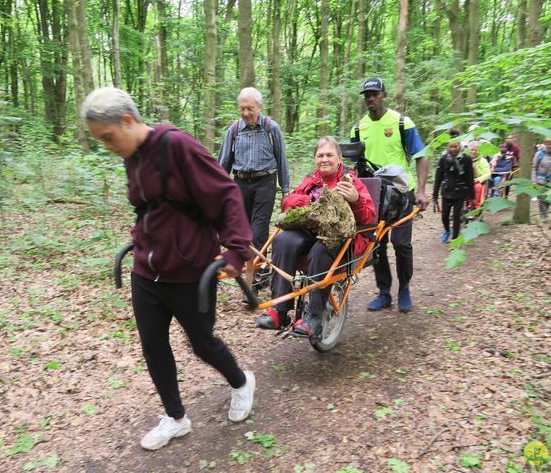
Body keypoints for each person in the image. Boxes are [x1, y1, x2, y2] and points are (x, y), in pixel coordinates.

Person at [80, 87, 256, 451]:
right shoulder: (132, 154)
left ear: (127, 121)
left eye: (109, 137)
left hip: (190, 270)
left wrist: (237, 250)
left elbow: (226, 194)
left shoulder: (177, 146)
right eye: (101, 141)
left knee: (203, 344)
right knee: (154, 346)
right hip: (146, 271)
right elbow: (149, 208)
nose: (108, 146)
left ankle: (241, 382)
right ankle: (176, 418)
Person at [255, 136, 377, 335]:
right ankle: (280, 310)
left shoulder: (350, 181)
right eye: (320, 155)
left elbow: (369, 217)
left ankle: (314, 316)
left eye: (329, 155)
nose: (324, 159)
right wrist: (312, 200)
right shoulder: (311, 180)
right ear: (315, 159)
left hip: (340, 236)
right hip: (309, 230)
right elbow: (288, 202)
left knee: (321, 250)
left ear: (339, 158)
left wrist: (355, 199)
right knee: (282, 240)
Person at [350, 77, 428, 313]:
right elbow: (355, 164)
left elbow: (421, 156)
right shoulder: (358, 128)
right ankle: (384, 292)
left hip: (402, 191)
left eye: (374, 93)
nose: (370, 98)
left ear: (384, 94)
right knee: (376, 244)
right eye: (367, 95)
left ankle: (404, 288)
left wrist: (422, 191)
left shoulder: (402, 122)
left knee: (401, 243)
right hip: (373, 194)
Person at [218, 87, 290, 251]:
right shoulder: (234, 130)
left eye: (250, 108)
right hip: (240, 184)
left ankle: (260, 273)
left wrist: (286, 190)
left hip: (265, 183)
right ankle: (247, 270)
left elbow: (281, 159)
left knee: (258, 231)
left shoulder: (271, 128)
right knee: (241, 231)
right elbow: (223, 163)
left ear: (259, 107)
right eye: (242, 108)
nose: (245, 113)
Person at [432, 140, 475, 242]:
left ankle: (455, 239)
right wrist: (435, 195)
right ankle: (447, 230)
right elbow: (438, 177)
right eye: (451, 147)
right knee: (444, 216)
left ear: (459, 147)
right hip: (446, 191)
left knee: (457, 216)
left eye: (455, 147)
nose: (453, 149)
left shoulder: (466, 159)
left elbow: (470, 177)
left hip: (460, 192)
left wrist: (472, 196)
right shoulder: (443, 159)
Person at [532, 138, 551, 221]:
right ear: (544, 144)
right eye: (547, 144)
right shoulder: (539, 154)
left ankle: (544, 213)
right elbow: (534, 167)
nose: (549, 146)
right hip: (541, 180)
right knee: (541, 199)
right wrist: (534, 180)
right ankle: (543, 216)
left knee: (550, 198)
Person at [467, 140, 491, 209]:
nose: (473, 152)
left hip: (477, 181)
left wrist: (478, 179)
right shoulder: (466, 159)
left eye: (476, 150)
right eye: (472, 150)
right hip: (467, 180)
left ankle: (475, 207)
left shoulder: (483, 160)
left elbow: (488, 174)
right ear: (469, 150)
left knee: (477, 187)